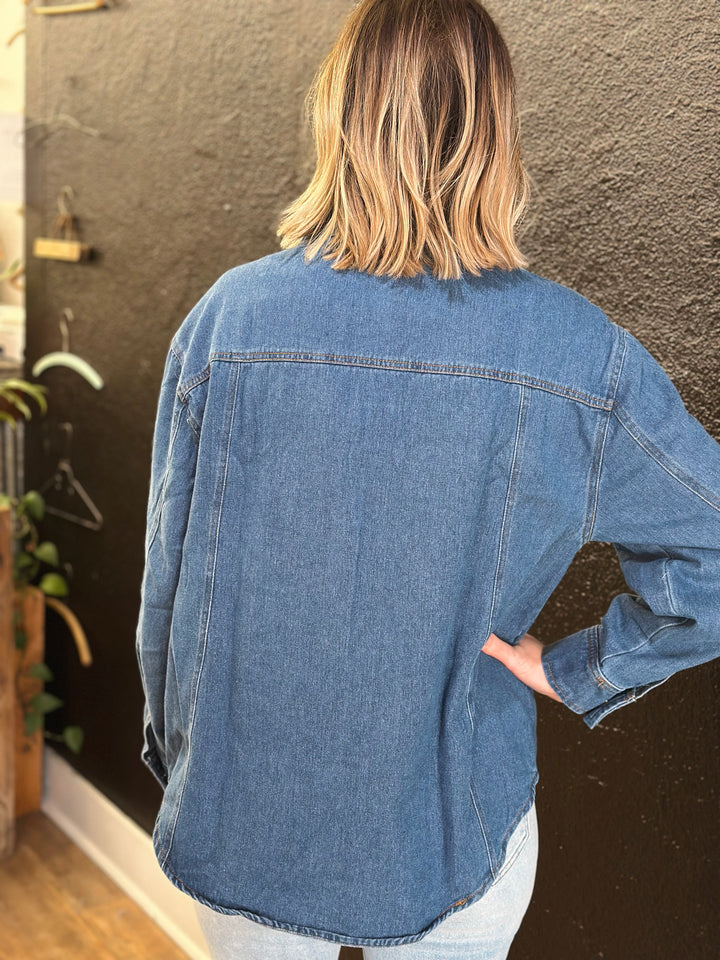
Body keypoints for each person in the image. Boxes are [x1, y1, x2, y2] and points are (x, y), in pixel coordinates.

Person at [134, 1, 720, 958]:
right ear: (496, 133)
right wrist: (577, 669)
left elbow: (168, 582)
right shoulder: (578, 354)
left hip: (241, 818)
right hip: (455, 832)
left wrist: (182, 761)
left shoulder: (228, 323)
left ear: (340, 117)